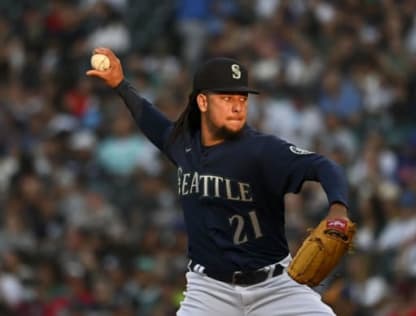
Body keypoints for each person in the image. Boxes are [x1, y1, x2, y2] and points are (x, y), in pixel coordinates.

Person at [87, 47, 352, 316]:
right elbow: (150, 120)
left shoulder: (263, 150)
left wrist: (338, 209)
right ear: (202, 102)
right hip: (209, 291)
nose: (237, 106)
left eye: (242, 98)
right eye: (226, 98)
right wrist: (121, 84)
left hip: (276, 288)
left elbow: (325, 166)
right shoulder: (183, 144)